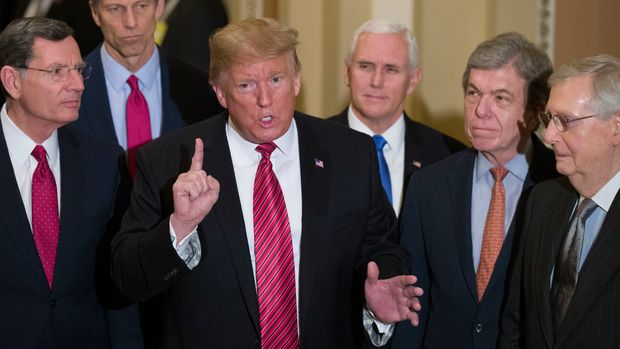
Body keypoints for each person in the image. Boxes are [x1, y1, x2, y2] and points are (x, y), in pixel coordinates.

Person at [111, 17, 423, 348]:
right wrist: (180, 227)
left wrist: (377, 296)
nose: (265, 100)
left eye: (276, 80)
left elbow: (383, 248)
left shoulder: (350, 155)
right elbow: (126, 278)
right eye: (246, 85)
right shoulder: (168, 161)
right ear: (220, 92)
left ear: (297, 80)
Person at [392, 32, 559, 349]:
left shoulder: (562, 185)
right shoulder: (428, 186)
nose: (481, 110)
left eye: (500, 98)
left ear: (536, 109)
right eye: (473, 93)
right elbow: (412, 306)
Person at [0, 17, 141, 348]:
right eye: (57, 72)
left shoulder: (104, 162)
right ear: (12, 81)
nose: (77, 84)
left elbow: (116, 285)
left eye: (79, 70)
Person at [499, 54, 620, 349]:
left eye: (565, 121)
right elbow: (516, 321)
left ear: (616, 128)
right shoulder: (543, 200)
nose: (550, 135)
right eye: (548, 119)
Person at [328, 19, 465, 215]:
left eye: (391, 69)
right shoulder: (311, 146)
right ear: (347, 72)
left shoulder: (447, 156)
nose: (376, 81)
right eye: (365, 66)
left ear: (413, 79)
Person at [72, 0, 222, 178]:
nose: (130, 22)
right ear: (95, 13)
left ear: (159, 7)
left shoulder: (202, 90)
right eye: (115, 9)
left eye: (141, 6)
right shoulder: (69, 88)